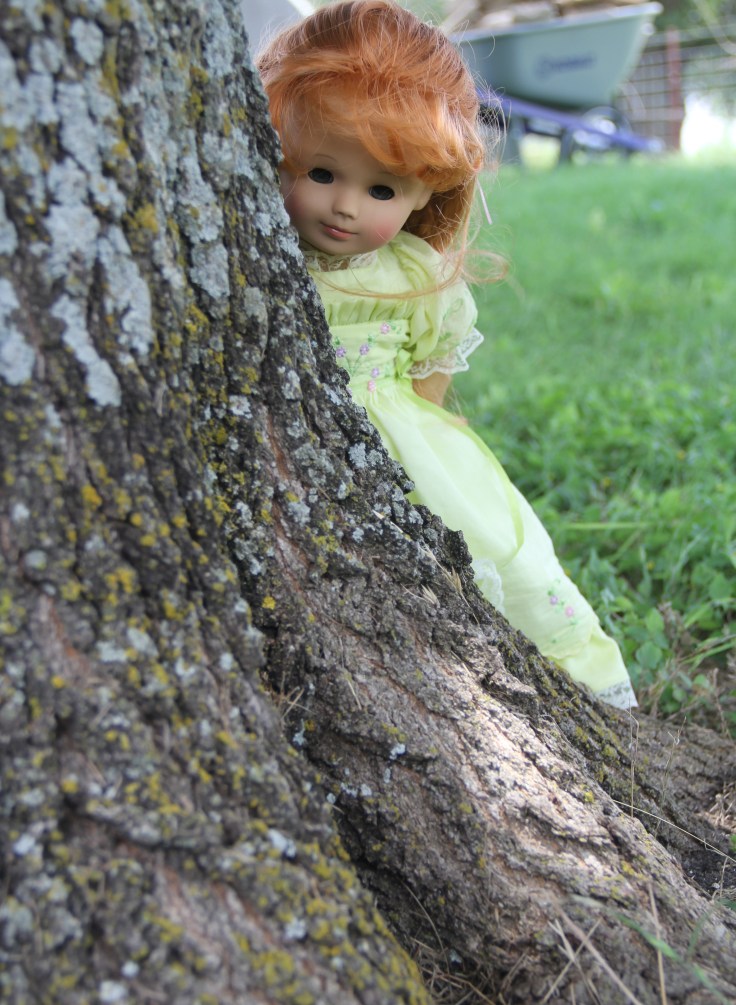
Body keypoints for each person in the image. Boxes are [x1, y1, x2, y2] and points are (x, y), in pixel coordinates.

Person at [256, 0, 637, 710]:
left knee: (490, 562)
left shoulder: (414, 275)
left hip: (404, 451)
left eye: (380, 189)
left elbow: (431, 369)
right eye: (319, 173)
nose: (344, 206)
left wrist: (428, 442)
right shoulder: (260, 250)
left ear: (427, 187)